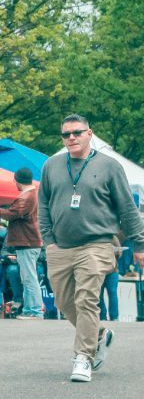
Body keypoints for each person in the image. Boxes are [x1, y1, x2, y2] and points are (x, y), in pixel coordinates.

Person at [38, 115, 144, 382]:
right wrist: (49, 241)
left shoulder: (109, 166)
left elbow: (127, 209)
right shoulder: (51, 165)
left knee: (87, 298)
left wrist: (139, 244)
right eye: (66, 135)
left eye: (77, 133)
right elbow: (44, 206)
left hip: (96, 243)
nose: (71, 138)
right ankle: (98, 334)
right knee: (64, 302)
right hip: (60, 246)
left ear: (89, 134)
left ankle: (83, 357)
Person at [0, 167, 43, 320]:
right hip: (29, 241)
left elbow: (10, 214)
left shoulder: (27, 197)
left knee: (29, 278)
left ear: (17, 180)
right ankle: (30, 309)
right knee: (27, 277)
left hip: (27, 241)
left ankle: (34, 310)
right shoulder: (32, 195)